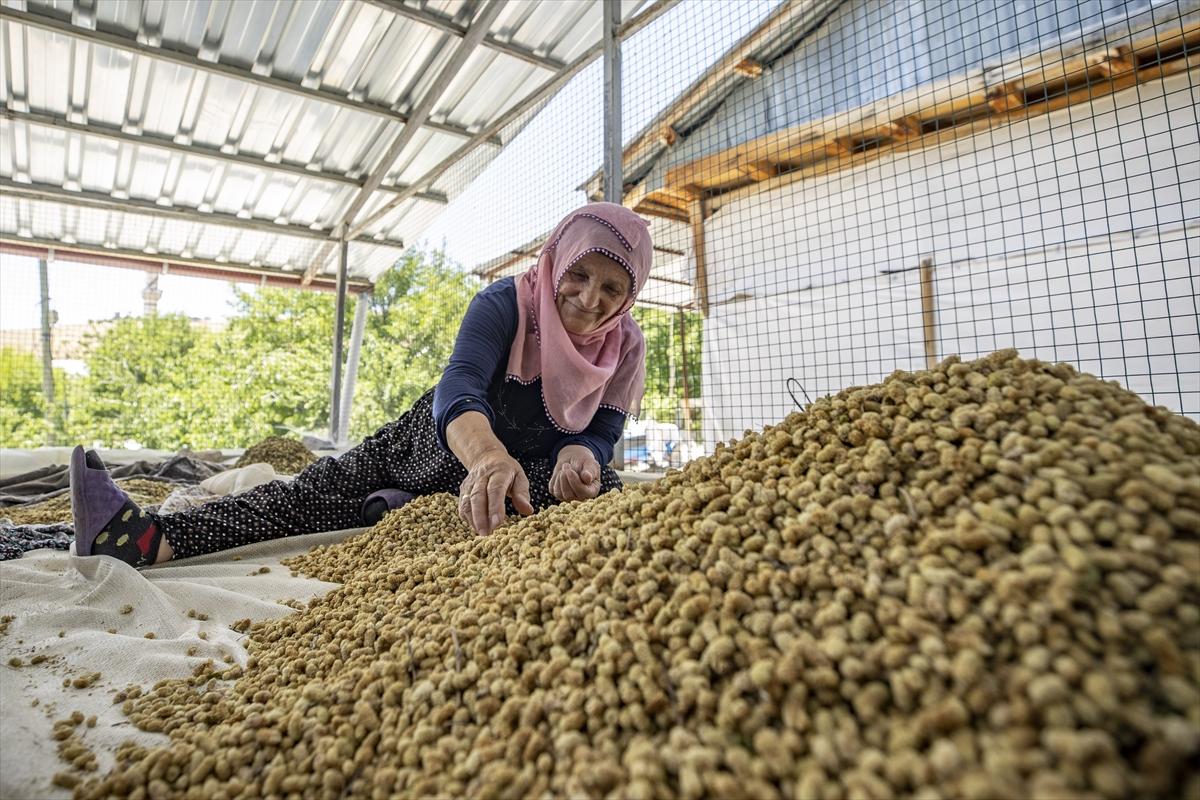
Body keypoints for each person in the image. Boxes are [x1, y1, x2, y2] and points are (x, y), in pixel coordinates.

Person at [68, 203, 653, 567]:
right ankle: (150, 540)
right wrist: (488, 457)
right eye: (578, 275)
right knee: (313, 492)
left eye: (612, 289)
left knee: (609, 497)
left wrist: (582, 456)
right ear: (556, 262)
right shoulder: (505, 303)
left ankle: (406, 510)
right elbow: (460, 386)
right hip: (444, 440)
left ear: (631, 296)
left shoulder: (627, 346)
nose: (589, 299)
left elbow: (605, 428)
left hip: (526, 477)